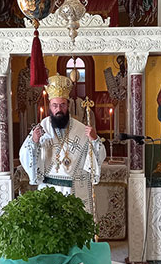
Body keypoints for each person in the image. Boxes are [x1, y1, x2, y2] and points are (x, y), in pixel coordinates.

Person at [19, 74, 106, 213]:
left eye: (62, 105)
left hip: (75, 190)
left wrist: (94, 139)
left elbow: (98, 156)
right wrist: (34, 141)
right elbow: (24, 153)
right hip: (48, 190)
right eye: (55, 105)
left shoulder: (81, 129)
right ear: (49, 106)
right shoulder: (42, 128)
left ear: (68, 105)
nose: (58, 109)